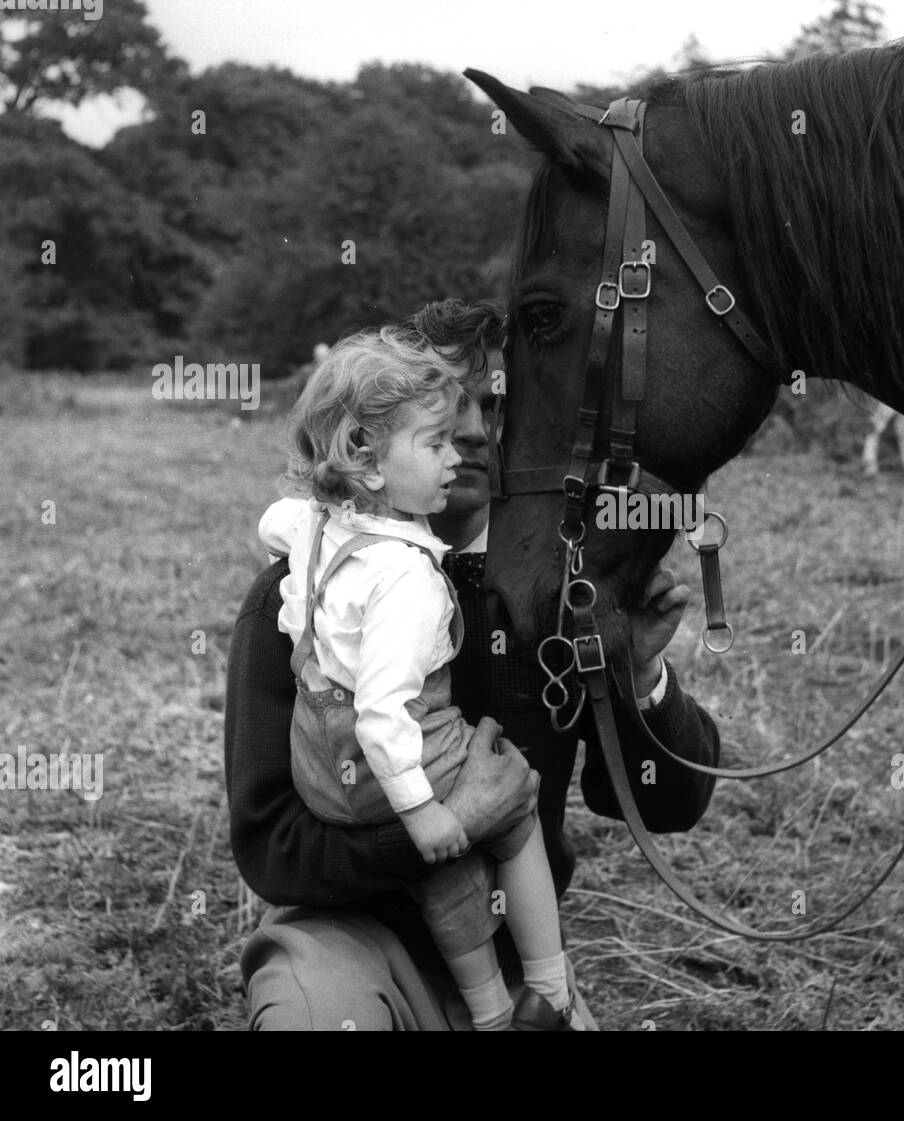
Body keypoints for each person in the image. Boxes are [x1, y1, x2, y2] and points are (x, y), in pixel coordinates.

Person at [225, 298, 722, 1030]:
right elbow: (272, 847)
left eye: (491, 403)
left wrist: (638, 676)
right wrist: (447, 822)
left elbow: (670, 804)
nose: (468, 430)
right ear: (377, 439)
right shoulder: (302, 595)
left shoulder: (561, 595)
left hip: (514, 964)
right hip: (348, 938)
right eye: (443, 409)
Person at [257, 326, 577, 1030]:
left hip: (324, 763)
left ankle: (491, 1013)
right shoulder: (409, 577)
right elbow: (381, 709)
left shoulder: (319, 526)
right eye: (434, 443)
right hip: (385, 755)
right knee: (513, 805)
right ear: (369, 464)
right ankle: (550, 989)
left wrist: (299, 523)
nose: (456, 454)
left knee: (447, 873)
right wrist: (429, 813)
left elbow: (274, 522)